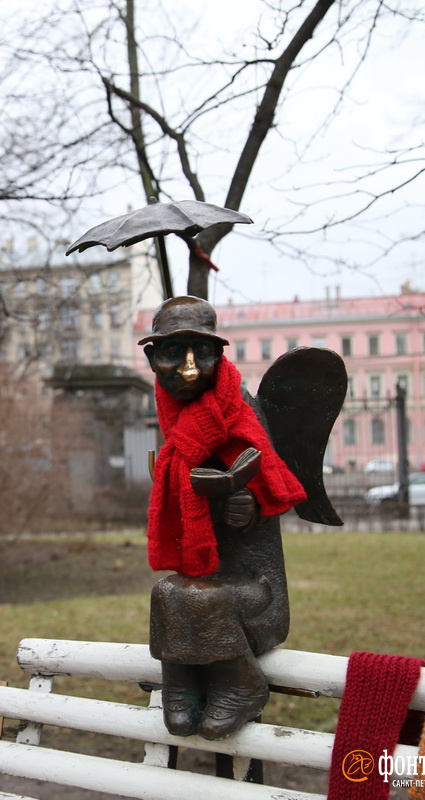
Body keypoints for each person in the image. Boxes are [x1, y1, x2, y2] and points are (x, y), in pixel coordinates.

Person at [140, 296, 307, 740]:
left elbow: (270, 487)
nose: (190, 369)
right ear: (152, 357)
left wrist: (248, 506)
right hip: (209, 583)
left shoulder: (241, 413)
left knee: (194, 599)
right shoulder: (177, 415)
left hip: (259, 591)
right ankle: (182, 684)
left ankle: (242, 685)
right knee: (167, 591)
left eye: (203, 353)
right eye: (174, 354)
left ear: (220, 354)